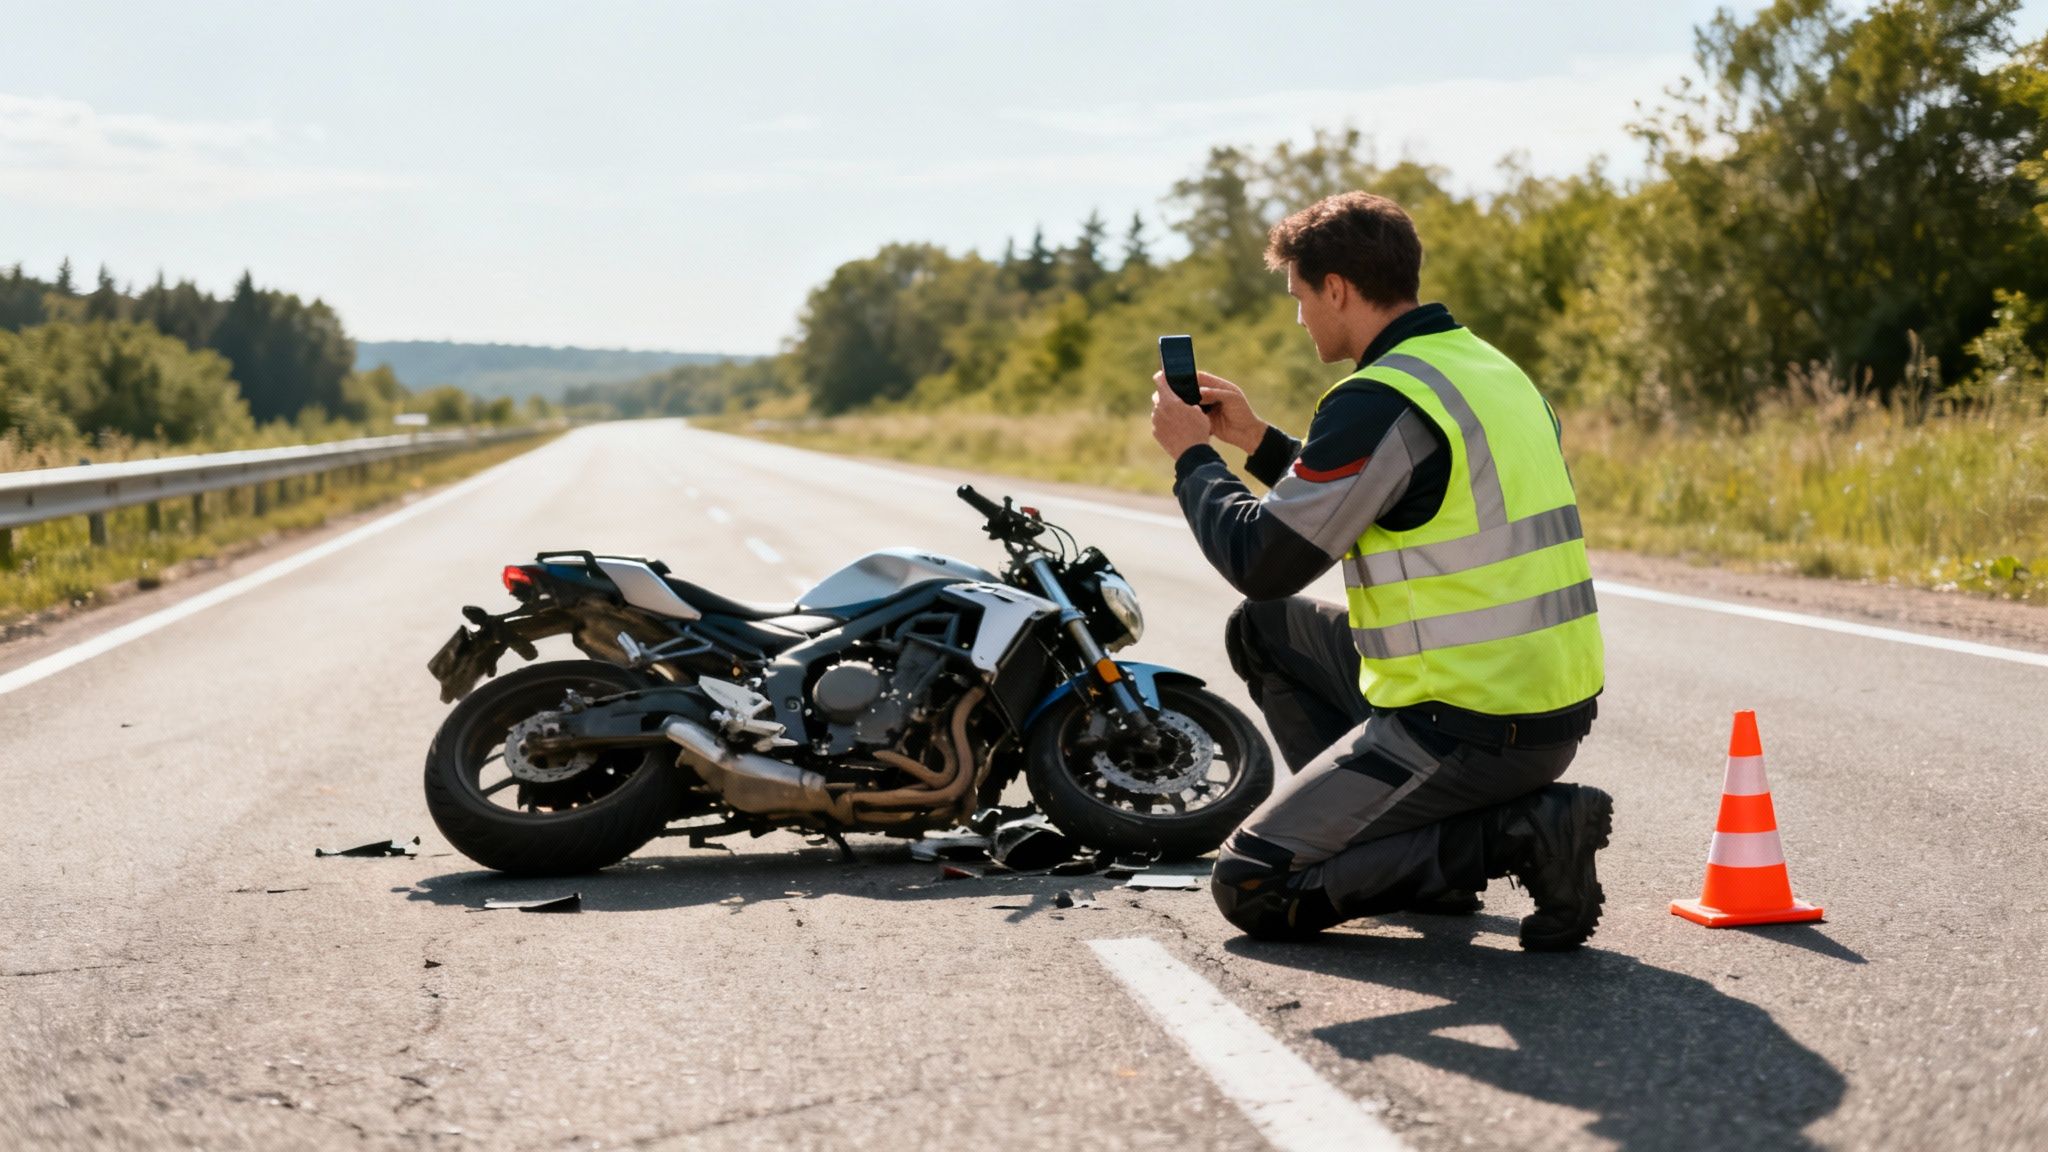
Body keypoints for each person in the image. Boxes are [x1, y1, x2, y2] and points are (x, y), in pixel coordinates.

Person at [1148, 191, 1612, 951]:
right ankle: (1420, 855)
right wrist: (1258, 442)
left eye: (1300, 297)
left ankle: (1516, 834)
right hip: (1540, 706)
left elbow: (1262, 562)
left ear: (1336, 288)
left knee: (1254, 884)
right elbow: (1390, 488)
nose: (1300, 318)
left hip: (1468, 725)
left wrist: (1192, 456)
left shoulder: (1378, 397)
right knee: (1267, 632)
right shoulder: (1487, 368)